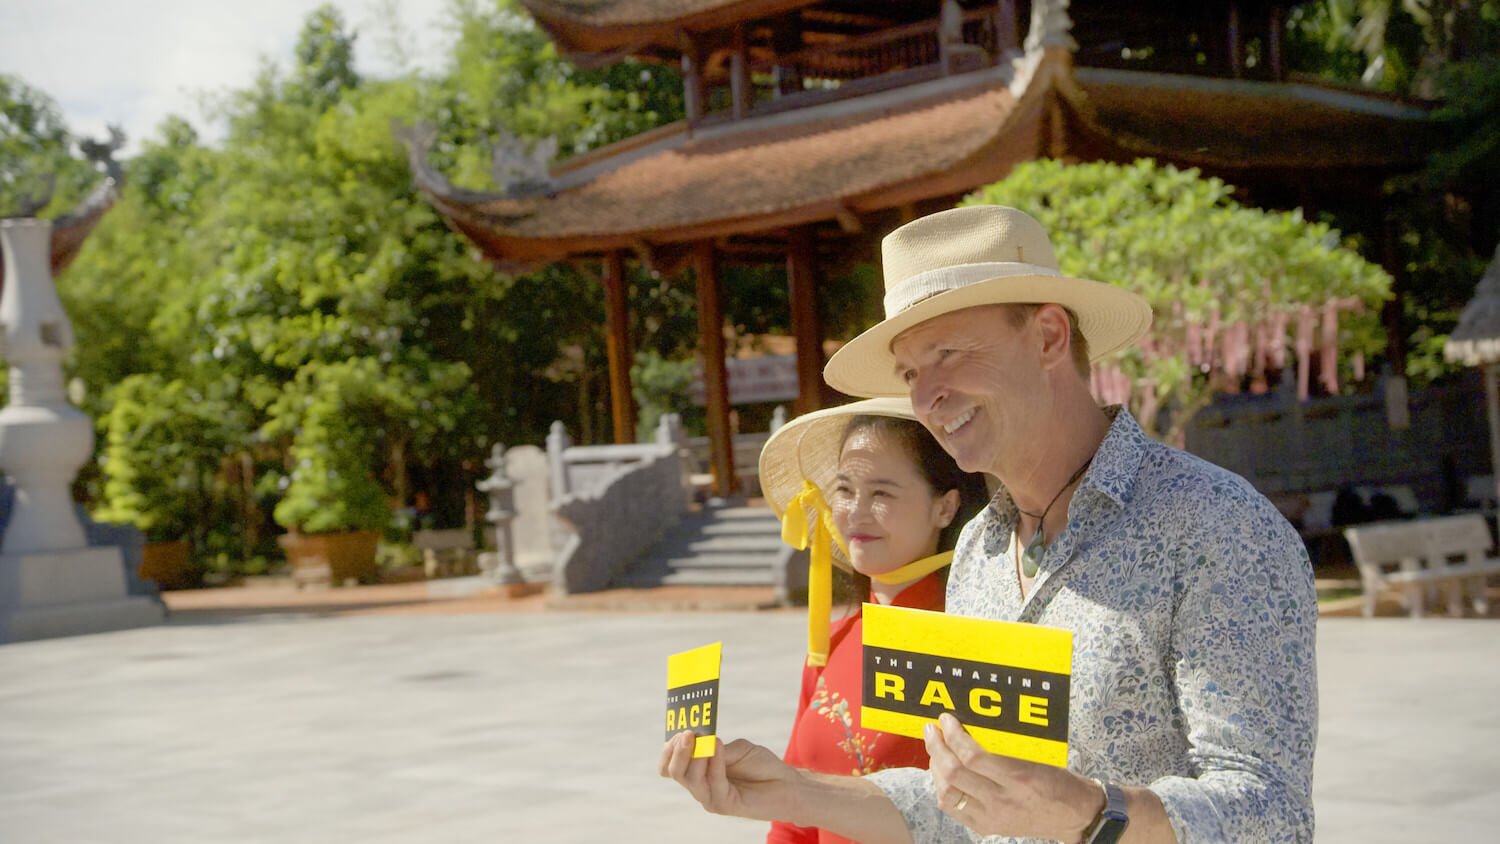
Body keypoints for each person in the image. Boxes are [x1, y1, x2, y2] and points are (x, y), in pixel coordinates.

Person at [661, 205, 1318, 843]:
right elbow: (965, 809)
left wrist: (1089, 812)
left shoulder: (1216, 528)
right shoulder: (979, 549)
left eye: (947, 353)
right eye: (913, 371)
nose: (926, 397)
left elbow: (1272, 814)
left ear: (1049, 337)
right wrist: (796, 791)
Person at [758, 397, 990, 844]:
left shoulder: (975, 643)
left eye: (881, 493)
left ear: (946, 506)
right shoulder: (833, 643)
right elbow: (790, 818)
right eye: (845, 490)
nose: (855, 512)